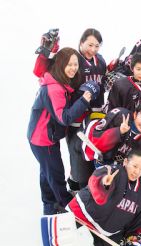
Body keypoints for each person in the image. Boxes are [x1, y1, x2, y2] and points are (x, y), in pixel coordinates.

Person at [33, 28, 107, 191]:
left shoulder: (100, 61)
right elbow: (42, 72)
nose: (93, 49)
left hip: (94, 116)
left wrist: (111, 77)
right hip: (73, 118)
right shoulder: (72, 59)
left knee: (92, 155)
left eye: (97, 45)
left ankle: (89, 189)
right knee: (77, 157)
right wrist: (48, 53)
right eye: (89, 44)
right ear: (81, 42)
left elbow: (101, 86)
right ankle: (76, 189)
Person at [28, 47, 98, 215]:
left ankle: (48, 205)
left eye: (75, 64)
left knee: (47, 172)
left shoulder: (58, 81)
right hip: (43, 139)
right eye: (69, 64)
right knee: (56, 174)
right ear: (60, 65)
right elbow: (64, 118)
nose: (73, 68)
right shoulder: (54, 88)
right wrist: (85, 99)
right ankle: (68, 208)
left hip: (45, 137)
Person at [67, 150, 141, 246]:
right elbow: (96, 181)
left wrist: (132, 234)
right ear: (125, 162)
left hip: (106, 232)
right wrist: (104, 183)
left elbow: (137, 218)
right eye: (134, 166)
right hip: (82, 218)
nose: (137, 172)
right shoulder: (112, 171)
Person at [80, 101, 141, 168]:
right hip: (101, 163)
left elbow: (140, 166)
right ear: (135, 114)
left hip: (121, 173)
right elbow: (95, 137)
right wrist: (118, 132)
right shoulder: (119, 115)